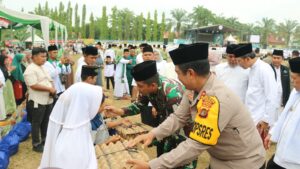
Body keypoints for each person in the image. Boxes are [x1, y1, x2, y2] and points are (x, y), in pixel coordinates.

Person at [125, 43, 265, 169]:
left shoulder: (216, 99)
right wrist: (153, 134)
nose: (177, 78)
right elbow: (179, 117)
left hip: (243, 163)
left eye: (178, 73)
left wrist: (152, 166)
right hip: (220, 160)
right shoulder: (193, 89)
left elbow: (196, 144)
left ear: (190, 73)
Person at [106, 61, 197, 168]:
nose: (138, 89)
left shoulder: (172, 94)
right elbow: (140, 104)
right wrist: (120, 111)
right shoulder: (148, 87)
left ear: (153, 85)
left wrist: (149, 138)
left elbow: (176, 126)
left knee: (178, 162)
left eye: (140, 86)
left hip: (183, 137)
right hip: (165, 129)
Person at [40, 65, 104, 169]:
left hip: (66, 132)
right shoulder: (84, 90)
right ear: (89, 78)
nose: (95, 81)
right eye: (95, 78)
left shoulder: (75, 88)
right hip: (74, 133)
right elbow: (92, 110)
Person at [234, 43, 277, 136]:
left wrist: (266, 120)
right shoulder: (251, 69)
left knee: (257, 149)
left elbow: (272, 96)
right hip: (251, 117)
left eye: (239, 61)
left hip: (260, 120)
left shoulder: (264, 69)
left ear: (247, 59)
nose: (238, 64)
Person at [264, 57, 300, 169]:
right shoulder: (295, 92)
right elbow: (285, 115)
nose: (292, 82)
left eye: (294, 78)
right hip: (283, 152)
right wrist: (272, 132)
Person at [24, 48, 56, 152]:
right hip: (37, 100)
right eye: (42, 56)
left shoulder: (43, 67)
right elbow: (33, 85)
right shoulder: (30, 69)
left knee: (46, 121)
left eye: (45, 56)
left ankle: (45, 140)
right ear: (34, 57)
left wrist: (52, 88)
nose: (44, 58)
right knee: (36, 123)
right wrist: (49, 89)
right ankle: (36, 144)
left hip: (48, 99)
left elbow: (49, 79)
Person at [270, 49, 290, 122]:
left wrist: (287, 101)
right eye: (274, 58)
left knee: (280, 121)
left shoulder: (286, 69)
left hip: (281, 101)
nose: (276, 60)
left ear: (282, 59)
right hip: (271, 100)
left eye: (278, 58)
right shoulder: (267, 68)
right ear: (272, 58)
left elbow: (287, 86)